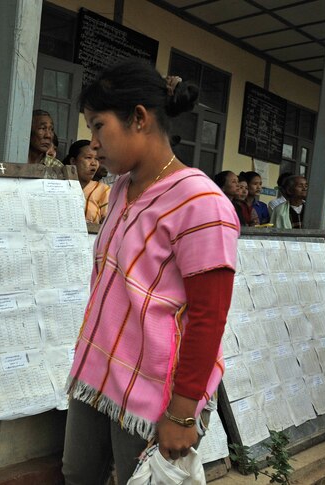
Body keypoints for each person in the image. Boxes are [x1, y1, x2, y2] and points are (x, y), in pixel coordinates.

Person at [63, 59, 238, 485]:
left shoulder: (202, 203)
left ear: (138, 118)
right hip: (97, 371)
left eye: (98, 126)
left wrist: (181, 412)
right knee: (77, 474)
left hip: (156, 392)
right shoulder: (121, 187)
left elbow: (208, 317)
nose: (93, 143)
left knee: (135, 479)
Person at [63, 139, 109, 224]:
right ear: (73, 161)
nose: (94, 163)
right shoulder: (60, 187)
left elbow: (108, 224)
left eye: (97, 159)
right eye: (88, 158)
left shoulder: (103, 190)